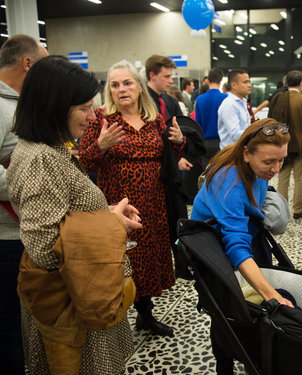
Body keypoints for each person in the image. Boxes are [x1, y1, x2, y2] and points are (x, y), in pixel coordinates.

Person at [7, 55, 142, 374]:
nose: (92, 115)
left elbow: (62, 214)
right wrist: (111, 224)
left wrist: (104, 211)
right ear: (53, 106)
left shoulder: (47, 148)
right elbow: (45, 247)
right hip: (71, 302)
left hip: (80, 294)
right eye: (83, 108)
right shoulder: (41, 159)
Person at [79, 60, 185, 337]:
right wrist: (101, 145)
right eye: (115, 85)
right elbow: (83, 162)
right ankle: (115, 318)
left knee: (148, 258)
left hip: (154, 203)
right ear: (109, 91)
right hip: (119, 206)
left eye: (127, 83)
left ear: (139, 86)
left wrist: (179, 140)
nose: (122, 89)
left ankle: (145, 314)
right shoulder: (102, 120)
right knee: (124, 260)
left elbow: (172, 155)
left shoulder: (155, 120)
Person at [191, 118, 293, 373]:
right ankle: (224, 363)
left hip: (245, 231)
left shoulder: (255, 169)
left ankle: (257, 353)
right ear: (246, 153)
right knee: (227, 310)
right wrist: (272, 295)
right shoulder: (228, 180)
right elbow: (235, 245)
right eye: (269, 162)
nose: (276, 168)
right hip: (215, 247)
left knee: (257, 302)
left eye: (281, 160)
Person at [0, 33, 48, 375]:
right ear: (27, 63)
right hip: (6, 235)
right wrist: (34, 184)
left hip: (23, 228)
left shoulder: (17, 103)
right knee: (10, 328)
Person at [274, 70, 302, 219]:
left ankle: (283, 210)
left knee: (283, 178)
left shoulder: (277, 98)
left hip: (282, 144)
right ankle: (298, 209)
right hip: (300, 146)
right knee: (300, 178)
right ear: (300, 84)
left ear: (286, 83)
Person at [195, 68, 227, 169]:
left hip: (206, 143)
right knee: (222, 174)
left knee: (207, 175)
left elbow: (197, 124)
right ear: (221, 81)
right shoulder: (226, 98)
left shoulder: (199, 99)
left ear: (208, 80)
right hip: (222, 142)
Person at [217, 69, 251, 149]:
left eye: (249, 82)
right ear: (234, 85)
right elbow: (235, 134)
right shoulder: (230, 104)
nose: (249, 85)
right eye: (245, 82)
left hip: (239, 151)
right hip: (231, 155)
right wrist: (255, 131)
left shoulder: (241, 102)